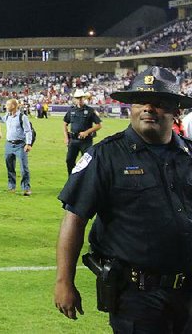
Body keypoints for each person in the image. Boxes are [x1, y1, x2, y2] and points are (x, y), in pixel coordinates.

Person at [54, 66, 192, 330]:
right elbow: (74, 219)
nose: (148, 108)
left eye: (159, 102)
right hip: (137, 296)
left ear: (177, 109)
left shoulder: (189, 154)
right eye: (140, 101)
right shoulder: (105, 156)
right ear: (130, 107)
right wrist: (64, 281)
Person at [63, 89, 102, 175]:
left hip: (86, 141)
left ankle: (84, 182)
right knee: (69, 160)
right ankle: (72, 180)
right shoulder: (71, 110)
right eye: (77, 98)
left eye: (81, 98)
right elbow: (65, 123)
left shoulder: (90, 110)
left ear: (84, 98)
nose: (79, 99)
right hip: (73, 141)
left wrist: (87, 132)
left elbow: (99, 125)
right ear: (74, 99)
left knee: (86, 162)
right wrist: (66, 137)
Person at [2, 98, 33, 196]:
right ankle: (12, 186)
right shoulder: (7, 116)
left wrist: (28, 144)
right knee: (9, 166)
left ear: (13, 106)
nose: (6, 107)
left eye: (8, 105)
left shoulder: (22, 117)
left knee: (24, 167)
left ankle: (26, 188)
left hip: (20, 145)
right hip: (9, 144)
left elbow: (28, 131)